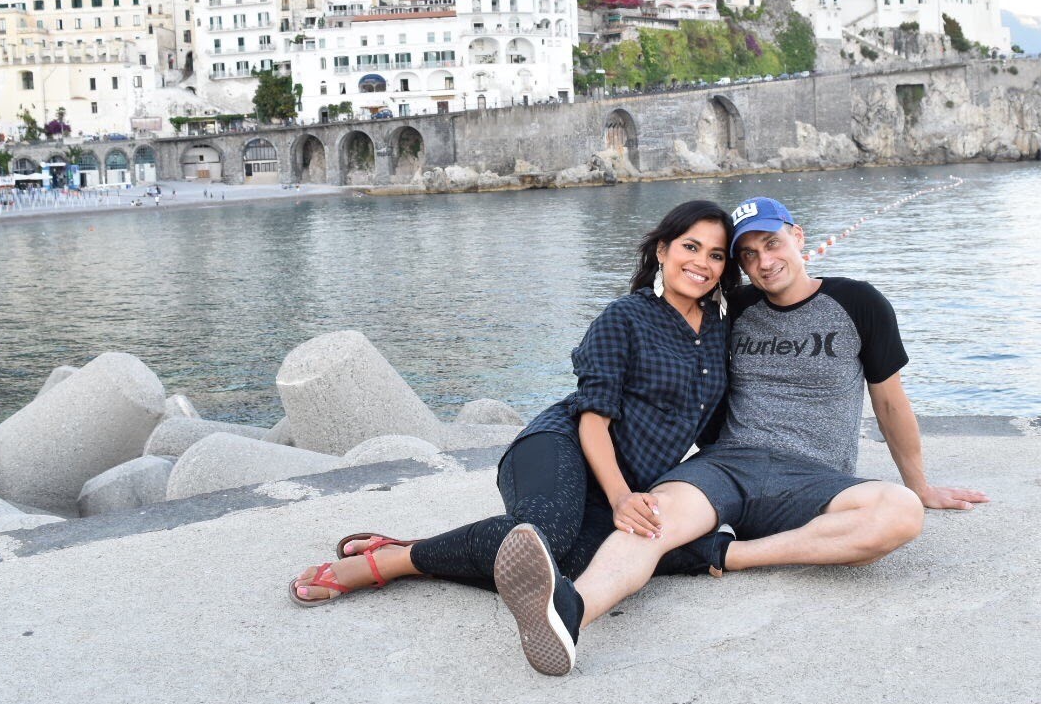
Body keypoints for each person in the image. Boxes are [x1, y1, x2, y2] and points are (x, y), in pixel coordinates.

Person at [494, 196, 989, 675]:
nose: (764, 262)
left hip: (813, 479)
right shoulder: (733, 310)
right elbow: (673, 328)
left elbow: (889, 401)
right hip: (725, 464)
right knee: (647, 522)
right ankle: (570, 612)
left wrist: (920, 486)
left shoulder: (857, 302)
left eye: (772, 244)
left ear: (797, 237)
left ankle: (728, 554)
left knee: (900, 512)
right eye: (747, 255)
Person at [289, 199, 740, 607]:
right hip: (562, 446)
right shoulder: (624, 317)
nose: (701, 263)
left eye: (716, 255)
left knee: (566, 571)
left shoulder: (721, 330)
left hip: (618, 487)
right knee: (546, 535)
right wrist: (622, 497)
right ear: (662, 251)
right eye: (690, 247)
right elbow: (592, 420)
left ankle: (426, 547)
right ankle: (391, 563)